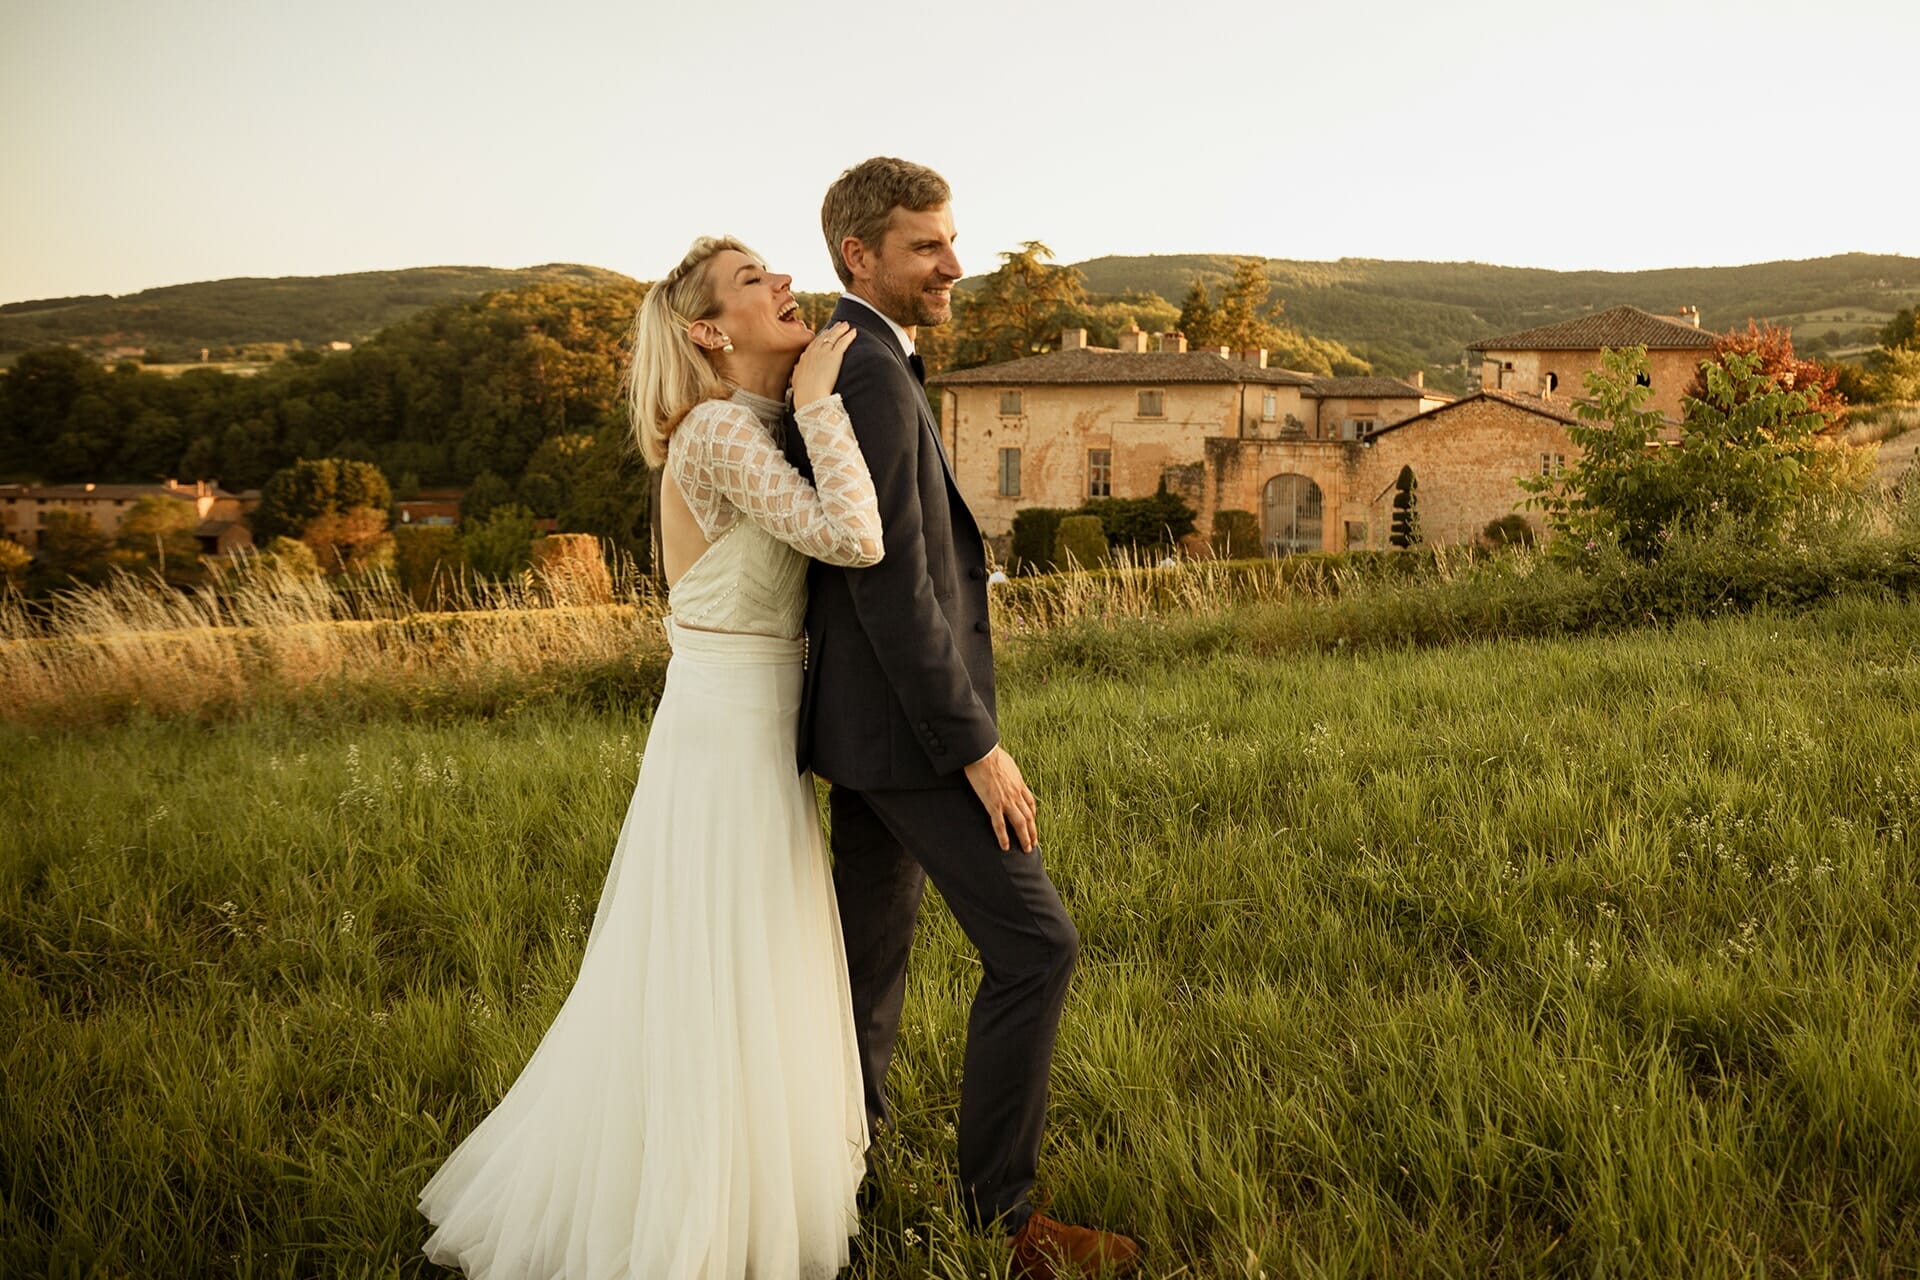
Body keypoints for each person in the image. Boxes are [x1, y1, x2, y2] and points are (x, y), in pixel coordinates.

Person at [418, 235, 882, 1279]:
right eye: (756, 280)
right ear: (708, 331)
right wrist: (820, 394)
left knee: (754, 953)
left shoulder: (749, 422)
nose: (784, 284)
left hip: (760, 724)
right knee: (716, 963)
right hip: (724, 737)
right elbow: (853, 536)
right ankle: (693, 1214)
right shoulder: (718, 430)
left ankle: (757, 1184)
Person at [789, 157, 1141, 1279]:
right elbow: (891, 584)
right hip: (911, 732)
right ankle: (1006, 1218)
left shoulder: (861, 359)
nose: (955, 262)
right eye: (927, 245)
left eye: (952, 239)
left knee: (866, 972)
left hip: (868, 728)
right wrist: (977, 746)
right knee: (1038, 944)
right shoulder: (873, 375)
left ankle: (832, 1185)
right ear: (861, 257)